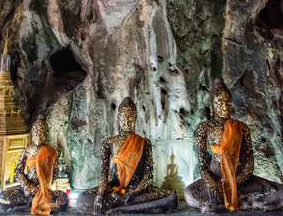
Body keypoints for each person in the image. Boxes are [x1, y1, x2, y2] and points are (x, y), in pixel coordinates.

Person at [185, 78, 283, 211]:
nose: (225, 106)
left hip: (239, 181)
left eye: (227, 102)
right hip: (214, 179)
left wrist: (233, 182)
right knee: (190, 194)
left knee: (279, 192)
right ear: (212, 104)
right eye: (220, 102)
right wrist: (212, 183)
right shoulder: (204, 127)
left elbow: (249, 164)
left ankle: (221, 204)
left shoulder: (241, 127)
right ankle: (245, 202)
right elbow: (203, 167)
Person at [76, 97, 177, 214]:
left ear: (135, 118)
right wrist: (100, 194)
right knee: (81, 199)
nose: (127, 120)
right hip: (115, 187)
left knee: (172, 198)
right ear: (119, 118)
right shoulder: (108, 142)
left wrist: (135, 192)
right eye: (124, 116)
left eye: (131, 116)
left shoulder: (144, 142)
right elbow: (104, 172)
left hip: (138, 190)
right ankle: (127, 206)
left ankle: (117, 207)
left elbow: (148, 175)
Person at [0, 115, 68, 214]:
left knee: (63, 199)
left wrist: (42, 187)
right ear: (31, 134)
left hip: (43, 191)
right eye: (36, 132)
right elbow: (18, 172)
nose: (38, 135)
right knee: (2, 197)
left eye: (41, 133)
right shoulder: (26, 151)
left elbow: (55, 173)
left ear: (46, 135)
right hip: (26, 191)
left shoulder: (51, 152)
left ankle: (30, 204)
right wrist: (27, 186)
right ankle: (35, 204)